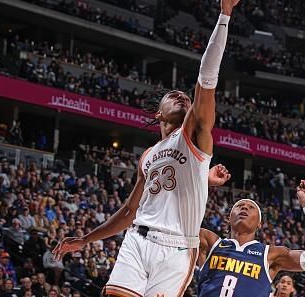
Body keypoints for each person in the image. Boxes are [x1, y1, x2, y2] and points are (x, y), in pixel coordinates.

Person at [52, 0, 239, 295]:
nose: (180, 97)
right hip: (137, 239)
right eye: (172, 95)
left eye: (185, 97)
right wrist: (86, 239)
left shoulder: (195, 136)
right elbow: (128, 211)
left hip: (177, 248)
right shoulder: (148, 156)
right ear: (158, 115)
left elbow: (206, 77)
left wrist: (224, 16)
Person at [198, 180, 305, 297]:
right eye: (239, 206)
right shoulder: (210, 242)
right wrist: (204, 181)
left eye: (251, 207)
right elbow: (180, 224)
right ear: (229, 218)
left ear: (259, 223)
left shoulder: (270, 254)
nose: (244, 207)